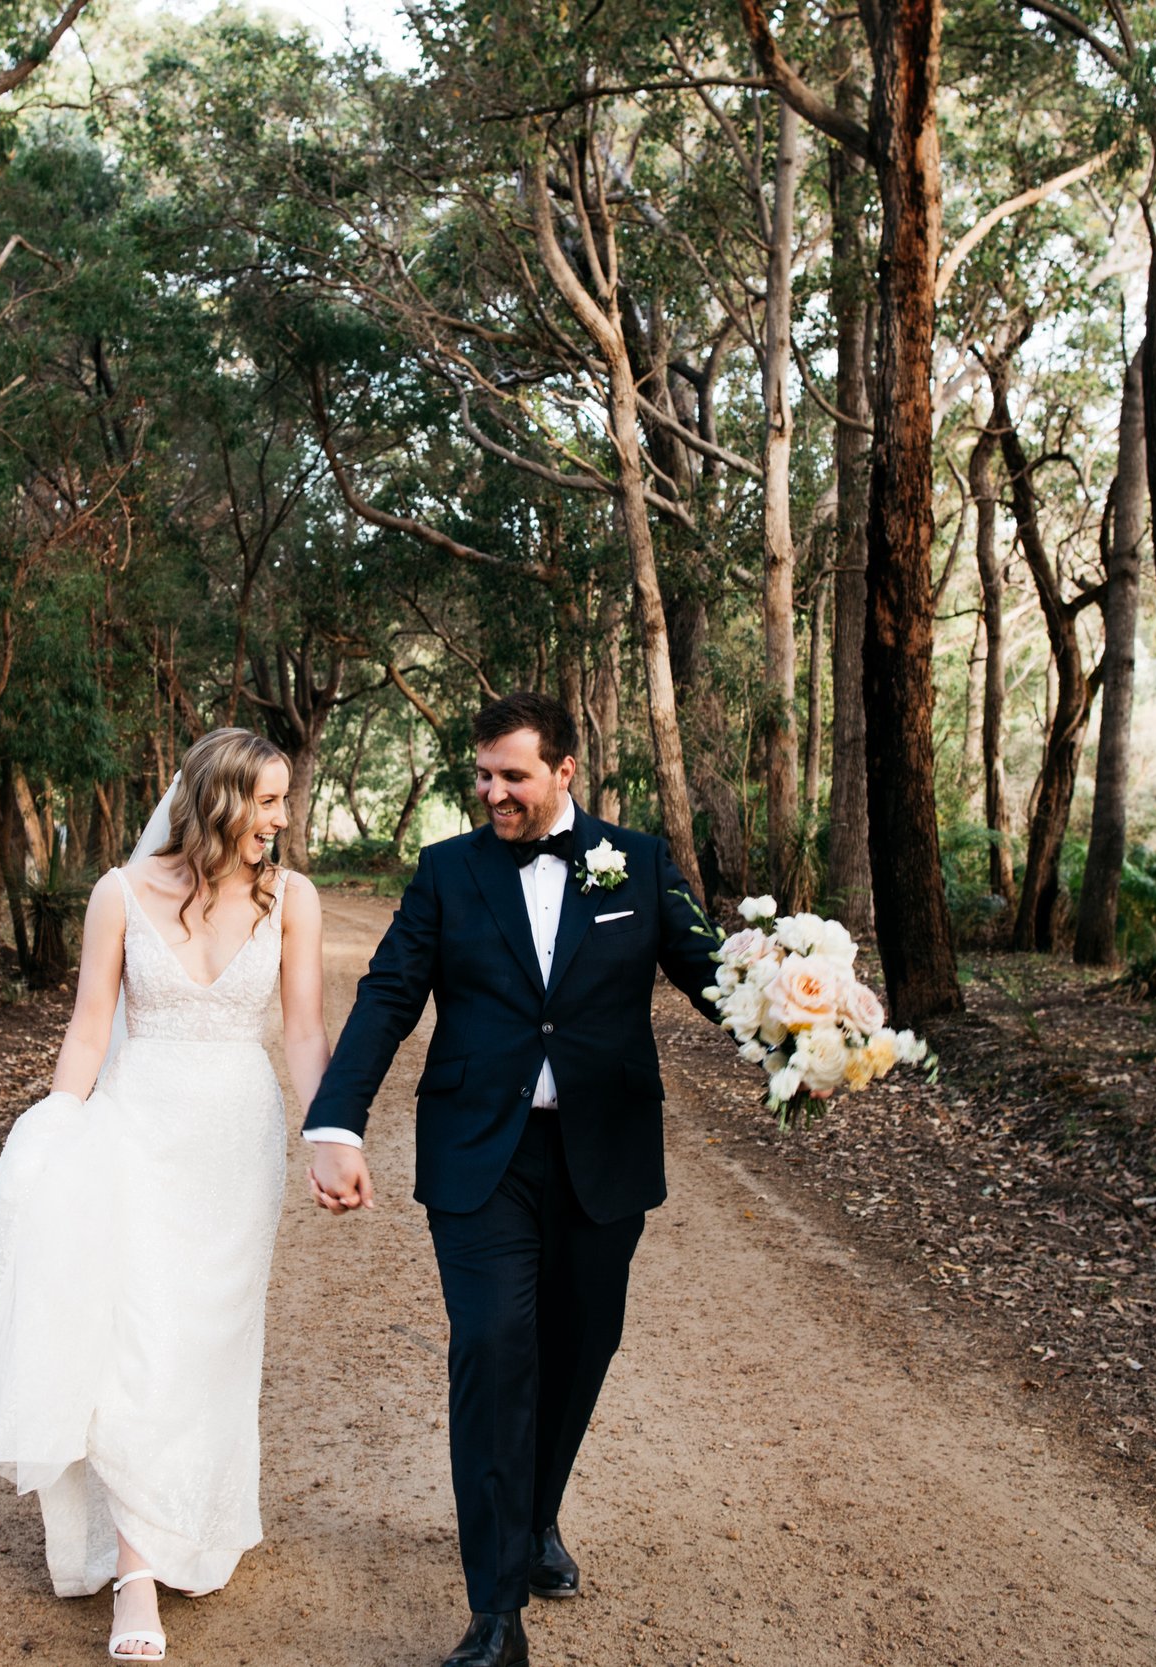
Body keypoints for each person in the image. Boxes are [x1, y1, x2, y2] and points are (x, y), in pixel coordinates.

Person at [304, 691, 719, 1667]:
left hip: (602, 1156)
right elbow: (387, 996)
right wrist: (335, 1120)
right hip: (479, 1154)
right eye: (481, 774)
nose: (491, 790)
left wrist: (799, 1037)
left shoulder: (640, 862)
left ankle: (535, 1517)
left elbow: (709, 971)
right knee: (493, 1350)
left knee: (577, 1351)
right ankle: (495, 1611)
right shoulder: (446, 873)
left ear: (564, 770)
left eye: (512, 775)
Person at [0, 728, 331, 1663]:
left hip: (238, 1143)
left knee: (209, 1345)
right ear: (217, 798)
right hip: (136, 1132)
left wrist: (329, 1131)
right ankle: (134, 1572)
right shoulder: (121, 893)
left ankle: (185, 1516)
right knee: (138, 1338)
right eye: (266, 799)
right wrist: (52, 1133)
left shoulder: (292, 899)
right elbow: (90, 1030)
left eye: (282, 799)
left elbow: (303, 1035)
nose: (281, 816)